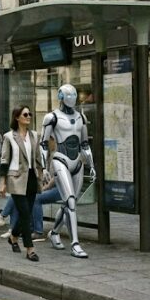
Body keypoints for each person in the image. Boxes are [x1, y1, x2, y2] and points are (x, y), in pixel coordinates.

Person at [41, 84, 95, 259]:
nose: (71, 98)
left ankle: (55, 232)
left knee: (68, 203)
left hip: (77, 162)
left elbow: (85, 143)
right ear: (61, 96)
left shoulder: (81, 117)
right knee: (70, 201)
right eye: (68, 95)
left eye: (74, 95)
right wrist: (43, 167)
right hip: (60, 160)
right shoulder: (52, 117)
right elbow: (43, 143)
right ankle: (75, 244)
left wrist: (91, 165)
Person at [0, 105, 43, 262]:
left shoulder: (35, 135)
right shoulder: (9, 136)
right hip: (16, 179)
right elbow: (4, 160)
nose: (29, 116)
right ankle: (30, 249)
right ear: (17, 117)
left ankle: (13, 236)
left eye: (30, 113)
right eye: (25, 114)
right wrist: (2, 182)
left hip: (31, 178)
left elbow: (38, 159)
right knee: (25, 213)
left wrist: (41, 176)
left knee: (27, 212)